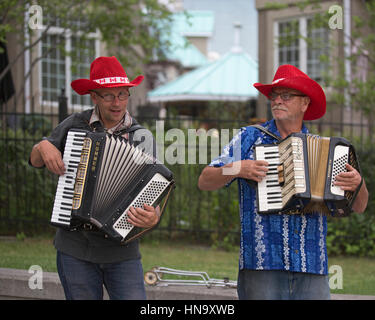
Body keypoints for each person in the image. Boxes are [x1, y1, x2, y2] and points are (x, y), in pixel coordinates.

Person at [198, 64, 368, 300]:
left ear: (304, 103)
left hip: (312, 263)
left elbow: (359, 206)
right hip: (262, 263)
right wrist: (239, 168)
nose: (277, 101)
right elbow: (205, 179)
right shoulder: (250, 136)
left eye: (286, 96)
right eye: (274, 96)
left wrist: (358, 183)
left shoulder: (327, 151)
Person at [29, 56, 160, 300]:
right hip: (75, 248)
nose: (117, 102)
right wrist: (43, 145)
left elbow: (153, 195)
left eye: (122, 94)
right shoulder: (74, 125)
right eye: (108, 95)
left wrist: (153, 217)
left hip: (122, 251)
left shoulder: (141, 137)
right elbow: (36, 160)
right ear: (94, 97)